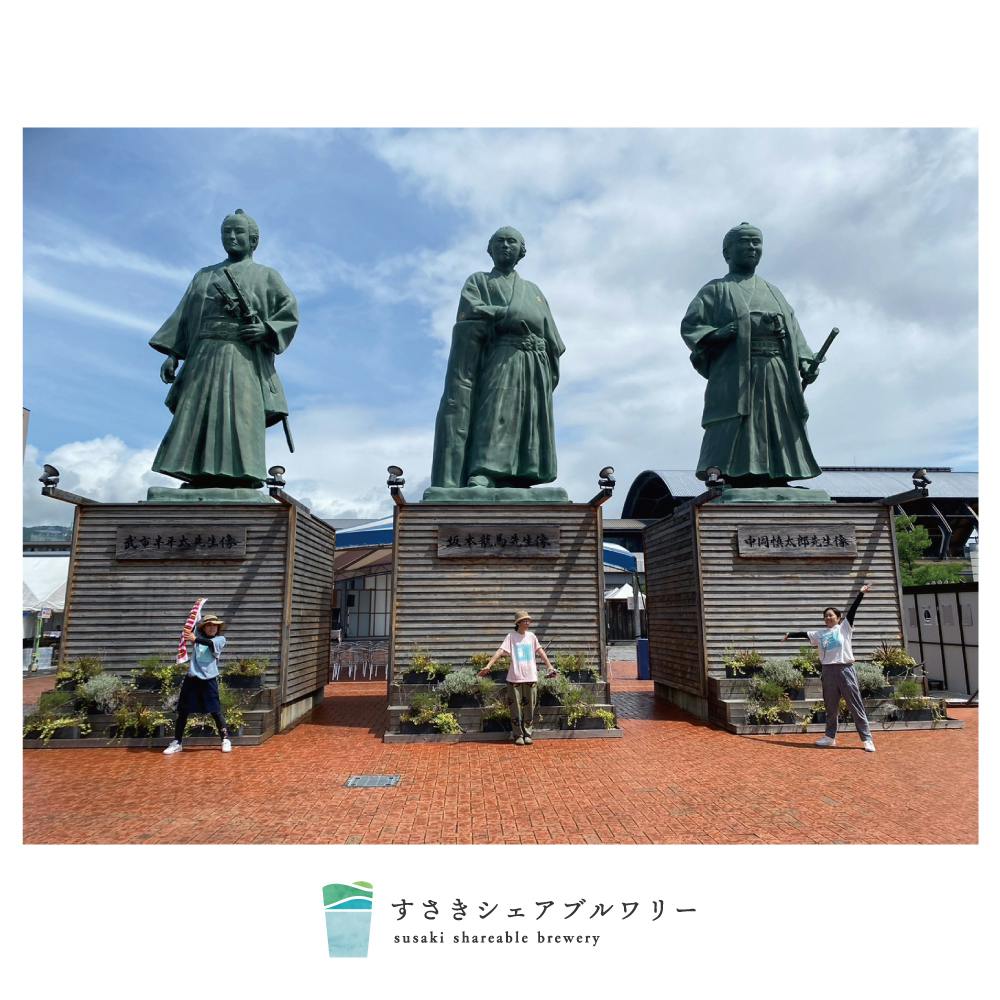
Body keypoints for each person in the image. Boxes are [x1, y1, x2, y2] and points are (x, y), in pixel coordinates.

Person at [149, 209, 298, 489]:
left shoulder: (267, 276)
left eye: (238, 231)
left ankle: (243, 476)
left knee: (240, 414)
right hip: (203, 356)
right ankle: (197, 475)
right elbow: (185, 316)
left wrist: (266, 329)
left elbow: (287, 312)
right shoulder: (204, 275)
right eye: (226, 232)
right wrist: (173, 354)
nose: (231, 237)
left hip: (242, 356)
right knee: (197, 413)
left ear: (253, 240)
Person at [680, 222, 822, 487]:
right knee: (738, 421)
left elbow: (794, 332)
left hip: (776, 371)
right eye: (745, 242)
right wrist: (720, 333)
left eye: (757, 242)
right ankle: (734, 476)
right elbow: (691, 326)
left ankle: (778, 475)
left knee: (777, 420)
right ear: (727, 252)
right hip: (736, 373)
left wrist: (805, 361)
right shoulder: (715, 290)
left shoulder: (774, 292)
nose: (752, 247)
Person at [430, 226, 565, 489]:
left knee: (529, 417)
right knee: (495, 411)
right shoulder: (478, 281)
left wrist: (547, 360)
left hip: (535, 361)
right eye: (500, 241)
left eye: (511, 242)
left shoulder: (533, 290)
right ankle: (484, 471)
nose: (505, 246)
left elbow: (551, 334)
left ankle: (522, 474)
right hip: (502, 353)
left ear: (521, 251)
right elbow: (471, 310)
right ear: (490, 249)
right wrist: (506, 313)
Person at [781, 583, 876, 752]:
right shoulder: (820, 634)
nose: (827, 618)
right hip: (827, 671)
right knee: (830, 706)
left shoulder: (844, 629)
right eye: (825, 616)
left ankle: (867, 739)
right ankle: (830, 737)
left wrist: (861, 594)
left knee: (855, 705)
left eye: (831, 615)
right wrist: (790, 635)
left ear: (838, 618)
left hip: (845, 669)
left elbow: (853, 611)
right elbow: (804, 634)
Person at [478, 610, 557, 746]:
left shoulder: (531, 636)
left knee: (530, 707)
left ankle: (528, 734)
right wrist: (488, 665)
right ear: (518, 623)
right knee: (515, 708)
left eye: (528, 620)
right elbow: (500, 651)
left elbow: (540, 651)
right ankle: (518, 735)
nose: (528, 623)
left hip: (531, 677)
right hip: (515, 678)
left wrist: (549, 666)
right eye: (525, 620)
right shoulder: (511, 637)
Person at [163, 614, 231, 754]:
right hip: (192, 679)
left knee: (215, 711)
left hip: (209, 680)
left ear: (218, 628)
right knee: (183, 711)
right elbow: (190, 630)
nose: (212, 628)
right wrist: (193, 619)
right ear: (203, 627)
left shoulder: (220, 640)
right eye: (208, 625)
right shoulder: (197, 637)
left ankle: (225, 739)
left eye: (214, 625)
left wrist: (195, 639)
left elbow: (209, 643)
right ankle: (177, 742)